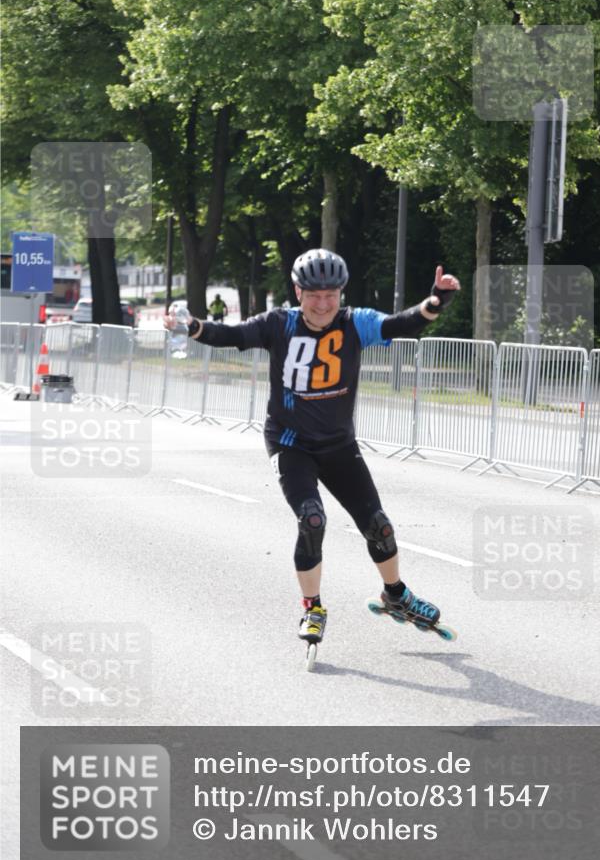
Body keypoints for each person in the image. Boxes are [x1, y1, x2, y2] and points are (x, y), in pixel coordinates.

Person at [166, 249, 460, 646]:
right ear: (298, 292)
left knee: (379, 526)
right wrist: (193, 326)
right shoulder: (279, 324)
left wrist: (436, 301)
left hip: (338, 445)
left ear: (341, 293)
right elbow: (232, 335)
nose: (323, 305)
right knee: (312, 519)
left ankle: (396, 595)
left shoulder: (357, 323)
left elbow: (400, 325)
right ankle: (313, 607)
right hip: (291, 443)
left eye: (331, 295)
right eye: (314, 295)